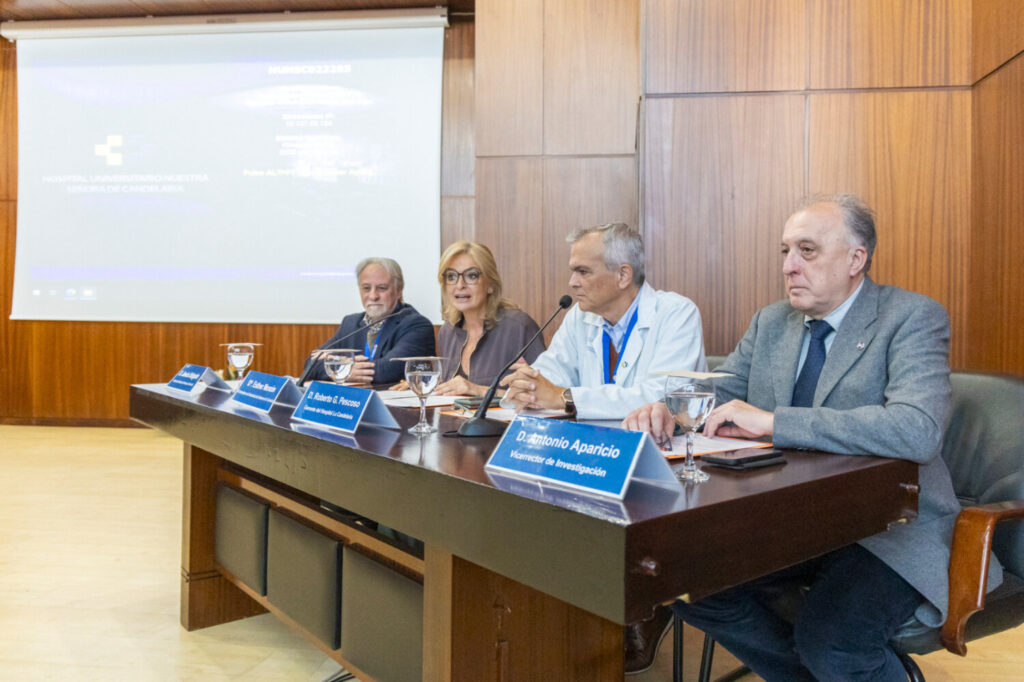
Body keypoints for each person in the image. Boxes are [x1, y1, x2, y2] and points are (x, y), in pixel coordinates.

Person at [623, 194, 1003, 681]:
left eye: (807, 250)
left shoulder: (910, 317)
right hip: (789, 519)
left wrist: (776, 421)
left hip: (891, 525)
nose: (789, 266)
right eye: (784, 251)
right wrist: (669, 408)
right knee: (682, 584)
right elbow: (720, 392)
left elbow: (917, 429)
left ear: (855, 259)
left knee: (834, 645)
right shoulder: (771, 322)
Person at [500, 222, 706, 421]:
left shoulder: (676, 313)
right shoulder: (579, 316)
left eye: (583, 272)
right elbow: (551, 373)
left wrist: (564, 398)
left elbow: (661, 399)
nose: (572, 282)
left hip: (665, 450)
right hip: (594, 446)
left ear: (623, 275)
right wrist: (528, 387)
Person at [433, 241, 545, 396]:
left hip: (504, 421)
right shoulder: (447, 331)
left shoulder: (518, 326)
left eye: (471, 276)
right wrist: (429, 386)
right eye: (451, 276)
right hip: (455, 420)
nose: (459, 285)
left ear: (490, 284)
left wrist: (477, 390)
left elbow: (542, 395)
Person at [302, 257, 435, 386]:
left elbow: (386, 371)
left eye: (382, 288)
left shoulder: (417, 325)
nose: (373, 296)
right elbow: (311, 364)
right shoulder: (351, 323)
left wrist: (340, 367)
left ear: (399, 290)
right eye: (366, 288)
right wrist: (345, 369)